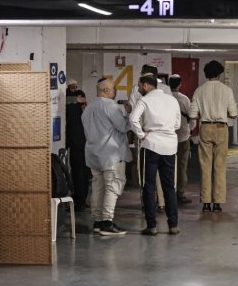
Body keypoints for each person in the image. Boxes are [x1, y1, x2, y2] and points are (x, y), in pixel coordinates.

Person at [129, 74, 181, 236]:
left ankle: (152, 226)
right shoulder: (172, 100)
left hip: (151, 145)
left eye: (139, 86)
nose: (138, 89)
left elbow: (133, 119)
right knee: (169, 187)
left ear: (145, 86)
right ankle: (173, 225)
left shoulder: (144, 100)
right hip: (170, 147)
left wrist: (141, 134)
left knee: (148, 186)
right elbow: (178, 123)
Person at [81, 78, 132, 236]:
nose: (115, 91)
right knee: (112, 187)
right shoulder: (110, 105)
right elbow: (123, 127)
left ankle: (97, 221)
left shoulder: (88, 108)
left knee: (97, 188)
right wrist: (130, 113)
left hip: (93, 155)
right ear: (105, 90)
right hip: (110, 155)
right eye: (113, 88)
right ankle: (107, 222)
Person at [189, 60, 237, 213]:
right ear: (220, 73)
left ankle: (206, 202)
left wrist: (205, 112)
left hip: (205, 128)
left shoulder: (199, 90)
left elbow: (192, 115)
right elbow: (234, 114)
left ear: (206, 73)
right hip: (222, 128)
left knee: (205, 165)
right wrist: (223, 112)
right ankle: (218, 202)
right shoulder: (227, 90)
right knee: (220, 165)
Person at [128, 65, 172, 212]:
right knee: (165, 174)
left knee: (146, 172)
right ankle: (162, 202)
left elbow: (133, 114)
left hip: (145, 135)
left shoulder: (137, 89)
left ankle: (148, 203)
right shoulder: (166, 89)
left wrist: (140, 134)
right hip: (166, 137)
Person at [168, 74, 195, 204]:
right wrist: (190, 129)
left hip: (167, 138)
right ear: (180, 84)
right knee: (182, 166)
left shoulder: (165, 98)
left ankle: (166, 193)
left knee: (167, 166)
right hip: (183, 137)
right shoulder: (184, 99)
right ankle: (180, 193)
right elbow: (192, 118)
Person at [66, 79, 90, 210]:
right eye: (71, 87)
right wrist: (76, 100)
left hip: (80, 141)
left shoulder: (78, 96)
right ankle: (79, 199)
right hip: (76, 140)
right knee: (78, 171)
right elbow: (65, 100)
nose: (74, 88)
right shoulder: (69, 98)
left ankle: (80, 200)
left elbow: (83, 101)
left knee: (80, 171)